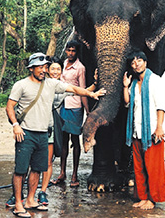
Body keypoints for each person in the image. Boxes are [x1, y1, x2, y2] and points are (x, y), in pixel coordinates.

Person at [6, 52, 106, 218]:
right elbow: (10, 106)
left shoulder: (51, 84)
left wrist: (90, 93)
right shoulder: (21, 85)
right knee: (20, 170)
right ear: (31, 68)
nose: (43, 70)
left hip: (43, 133)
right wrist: (16, 125)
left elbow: (73, 88)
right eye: (40, 67)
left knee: (38, 169)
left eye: (45, 67)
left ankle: (31, 200)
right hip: (26, 133)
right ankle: (18, 204)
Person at [123, 50, 165, 210]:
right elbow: (128, 104)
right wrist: (125, 86)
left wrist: (159, 128)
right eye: (133, 63)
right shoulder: (134, 84)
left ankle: (152, 199)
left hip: (152, 133)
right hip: (137, 132)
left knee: (153, 167)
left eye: (139, 60)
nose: (136, 64)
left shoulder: (155, 80)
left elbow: (161, 105)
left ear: (145, 62)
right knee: (139, 167)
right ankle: (142, 197)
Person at [51, 40, 89, 187]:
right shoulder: (62, 65)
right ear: (65, 50)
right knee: (63, 140)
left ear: (77, 52)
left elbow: (83, 89)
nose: (71, 53)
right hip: (61, 106)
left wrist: (87, 110)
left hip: (75, 107)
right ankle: (62, 172)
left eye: (73, 51)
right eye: (69, 50)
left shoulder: (80, 68)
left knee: (75, 140)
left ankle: (74, 174)